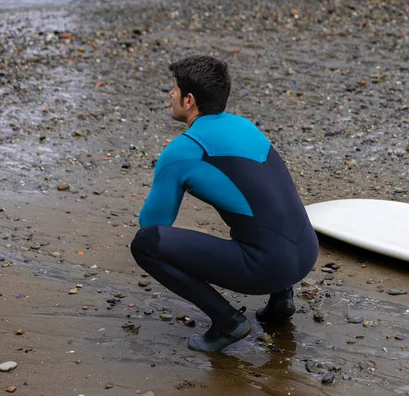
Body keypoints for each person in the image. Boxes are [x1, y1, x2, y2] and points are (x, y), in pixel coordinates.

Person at [130, 55, 319, 352]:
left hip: (267, 267)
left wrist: (180, 183)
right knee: (261, 213)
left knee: (145, 243)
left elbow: (153, 224)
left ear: (189, 100)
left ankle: (227, 322)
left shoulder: (183, 150)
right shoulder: (246, 127)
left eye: (174, 89)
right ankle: (282, 300)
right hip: (307, 253)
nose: (170, 94)